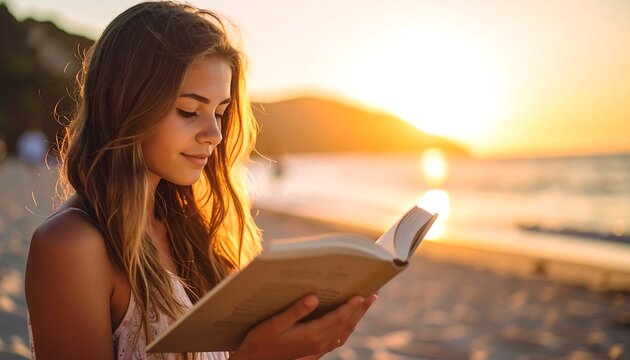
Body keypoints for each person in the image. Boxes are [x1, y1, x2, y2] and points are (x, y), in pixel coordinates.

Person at [24, 2, 377, 360]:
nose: (214, 134)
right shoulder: (69, 247)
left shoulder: (190, 232)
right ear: (125, 106)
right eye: (189, 111)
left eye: (220, 113)